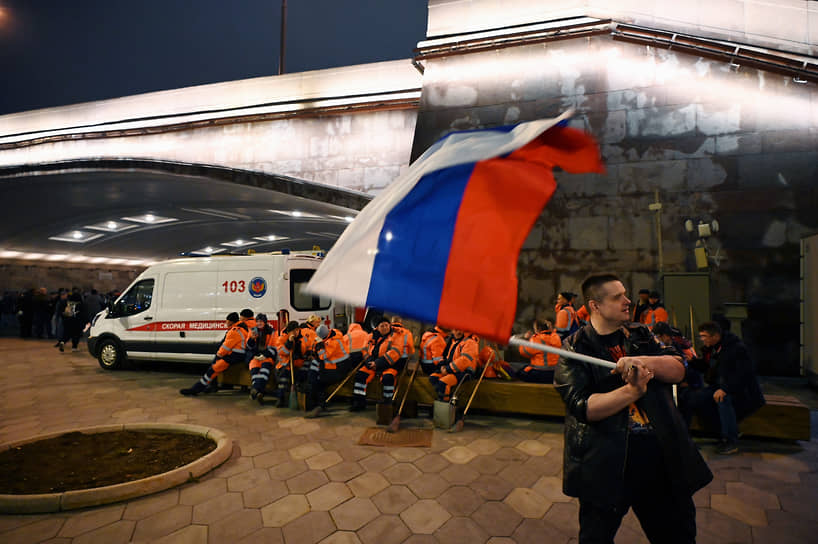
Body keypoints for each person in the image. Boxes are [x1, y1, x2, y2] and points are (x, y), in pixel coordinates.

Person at [554, 273, 712, 543]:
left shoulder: (640, 335)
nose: (628, 301)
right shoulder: (575, 348)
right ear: (595, 306)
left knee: (678, 535)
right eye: (618, 297)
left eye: (625, 294)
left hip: (660, 454)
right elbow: (584, 407)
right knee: (596, 537)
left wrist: (640, 360)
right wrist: (632, 391)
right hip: (606, 461)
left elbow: (677, 369)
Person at [685, 321, 765, 455]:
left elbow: (744, 374)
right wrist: (692, 361)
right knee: (693, 398)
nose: (702, 339)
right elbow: (706, 366)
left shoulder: (735, 348)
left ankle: (730, 440)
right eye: (701, 336)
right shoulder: (713, 348)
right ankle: (706, 433)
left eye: (704, 336)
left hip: (743, 391)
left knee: (722, 399)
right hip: (722, 385)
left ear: (715, 336)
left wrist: (725, 389)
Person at [180, 312, 249, 396]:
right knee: (214, 368)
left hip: (234, 356)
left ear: (230, 321)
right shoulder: (242, 328)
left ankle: (196, 389)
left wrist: (218, 355)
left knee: (213, 369)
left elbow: (225, 348)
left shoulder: (234, 331)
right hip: (240, 355)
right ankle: (203, 387)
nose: (225, 322)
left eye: (226, 320)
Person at [351, 316, 405, 411]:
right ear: (377, 327)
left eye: (386, 325)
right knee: (360, 375)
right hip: (372, 363)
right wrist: (369, 362)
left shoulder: (396, 336)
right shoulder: (371, 336)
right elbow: (365, 350)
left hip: (389, 364)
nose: (385, 327)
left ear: (390, 325)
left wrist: (378, 363)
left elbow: (395, 352)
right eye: (382, 326)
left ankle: (387, 403)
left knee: (388, 378)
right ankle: (359, 402)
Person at [306, 323, 353, 417]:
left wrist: (319, 345)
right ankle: (315, 402)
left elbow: (323, 356)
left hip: (340, 369)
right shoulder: (333, 334)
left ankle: (320, 404)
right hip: (337, 366)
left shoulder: (333, 342)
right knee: (314, 375)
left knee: (320, 382)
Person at [429, 329, 480, 402]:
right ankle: (443, 398)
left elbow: (464, 361)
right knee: (433, 377)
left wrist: (448, 369)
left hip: (465, 372)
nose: (458, 332)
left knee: (443, 383)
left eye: (460, 329)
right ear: (452, 330)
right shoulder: (454, 341)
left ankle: (445, 405)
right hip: (454, 370)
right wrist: (442, 366)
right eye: (455, 330)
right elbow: (448, 358)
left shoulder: (470, 342)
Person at [274, 320, 311, 407]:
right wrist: (289, 343)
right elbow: (282, 352)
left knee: (306, 372)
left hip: (299, 363)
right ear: (289, 331)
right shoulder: (282, 338)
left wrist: (309, 353)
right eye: (293, 331)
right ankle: (280, 398)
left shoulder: (303, 338)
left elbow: (307, 347)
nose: (295, 332)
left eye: (297, 330)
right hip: (286, 364)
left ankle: (301, 394)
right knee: (284, 377)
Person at [518, 319, 561, 383]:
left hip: (541, 374)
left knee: (519, 372)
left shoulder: (537, 339)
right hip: (555, 373)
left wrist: (525, 339)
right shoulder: (556, 337)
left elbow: (524, 352)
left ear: (538, 329)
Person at [249, 313, 278, 404]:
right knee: (254, 371)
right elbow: (248, 347)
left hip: (267, 357)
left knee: (264, 370)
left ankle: (255, 390)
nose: (259, 323)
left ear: (265, 322)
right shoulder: (253, 331)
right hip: (256, 356)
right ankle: (259, 392)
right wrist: (251, 339)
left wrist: (265, 355)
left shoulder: (272, 332)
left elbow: (273, 347)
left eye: (261, 321)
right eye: (257, 321)